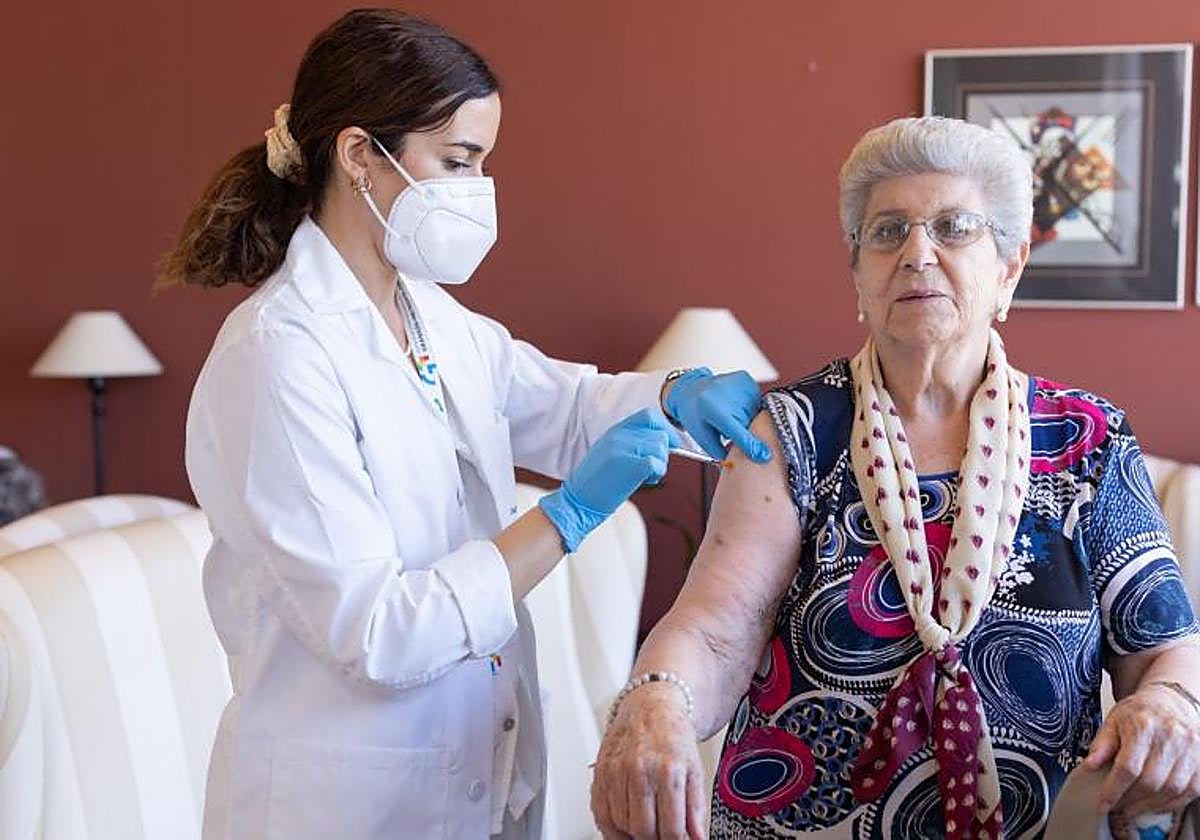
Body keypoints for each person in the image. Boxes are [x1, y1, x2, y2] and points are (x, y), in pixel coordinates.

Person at [163, 10, 769, 839]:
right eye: (457, 161)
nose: (477, 189)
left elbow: (561, 406)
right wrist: (563, 519)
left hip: (470, 786)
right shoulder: (278, 356)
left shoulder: (431, 318)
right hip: (341, 808)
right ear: (358, 156)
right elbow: (376, 632)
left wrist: (672, 399)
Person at [591, 116, 1200, 839]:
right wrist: (657, 698)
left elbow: (1163, 647)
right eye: (887, 232)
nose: (917, 252)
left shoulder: (1087, 440)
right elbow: (716, 630)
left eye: (954, 227)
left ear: (1010, 264)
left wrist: (1169, 705)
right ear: (857, 272)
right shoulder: (791, 431)